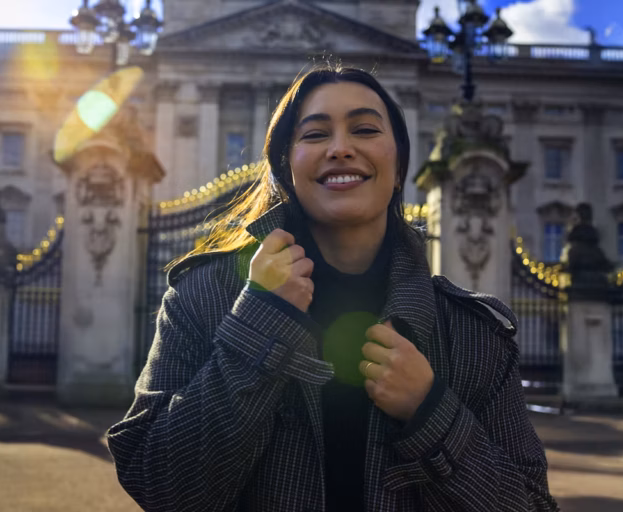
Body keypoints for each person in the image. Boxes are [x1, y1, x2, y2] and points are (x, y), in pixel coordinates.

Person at [107, 64, 559, 512]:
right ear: (286, 168)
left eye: (364, 129)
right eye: (315, 134)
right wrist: (260, 322)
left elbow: (532, 505)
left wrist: (432, 412)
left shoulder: (472, 331)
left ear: (400, 166)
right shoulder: (203, 297)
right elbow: (159, 486)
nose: (341, 148)